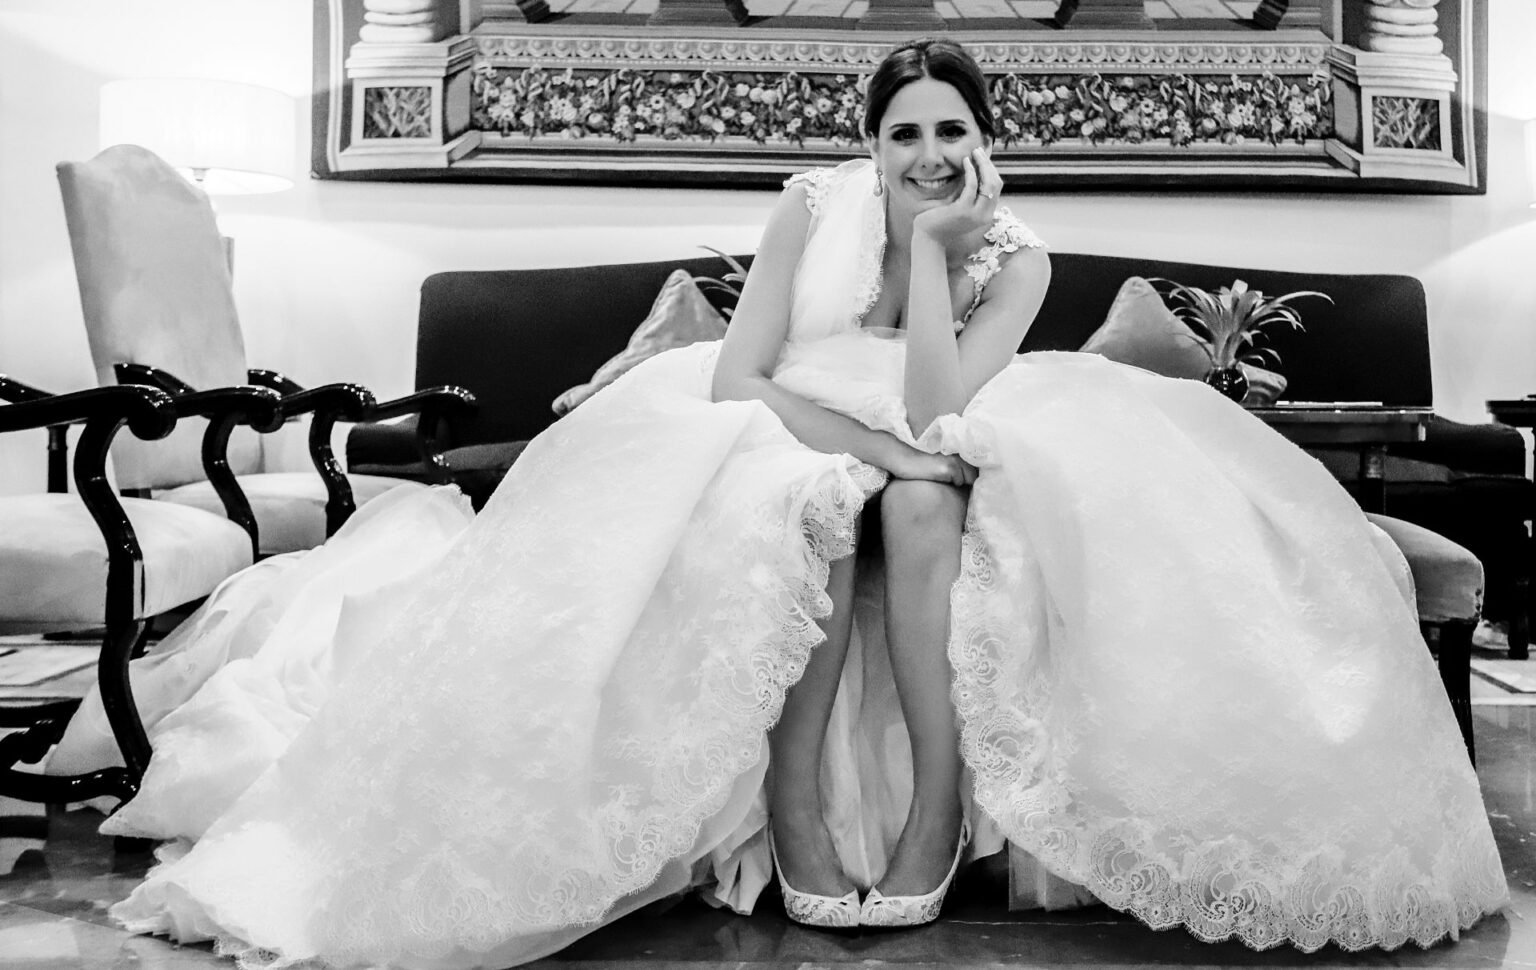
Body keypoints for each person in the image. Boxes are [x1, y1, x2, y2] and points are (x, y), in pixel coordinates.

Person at [49, 37, 1506, 970]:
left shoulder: (1024, 253)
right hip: (770, 420)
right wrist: (854, 438)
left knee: (932, 503)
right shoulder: (807, 208)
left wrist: (943, 259)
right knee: (799, 505)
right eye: (905, 137)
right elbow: (743, 377)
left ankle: (935, 813)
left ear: (981, 142)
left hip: (931, 412)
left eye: (951, 134)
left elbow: (943, 408)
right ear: (867, 145)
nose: (928, 156)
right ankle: (800, 811)